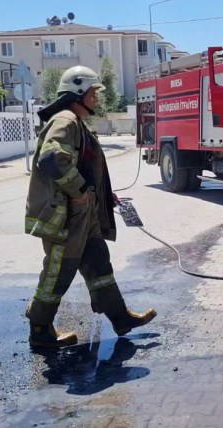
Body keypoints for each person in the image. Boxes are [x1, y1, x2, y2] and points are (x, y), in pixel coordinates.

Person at [25, 65, 156, 347]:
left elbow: (83, 166)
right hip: (67, 219)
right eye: (93, 93)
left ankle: (120, 318)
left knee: (99, 264)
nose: (96, 98)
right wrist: (79, 191)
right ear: (78, 92)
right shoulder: (66, 120)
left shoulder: (77, 123)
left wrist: (105, 196)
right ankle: (40, 329)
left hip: (84, 217)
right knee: (58, 273)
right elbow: (51, 159)